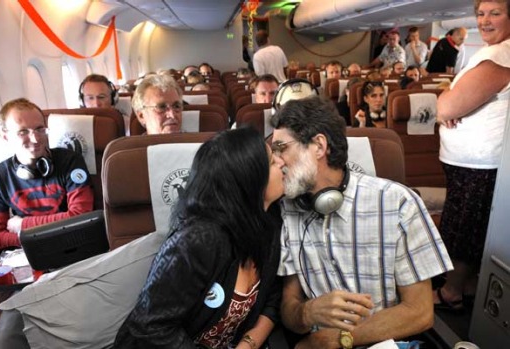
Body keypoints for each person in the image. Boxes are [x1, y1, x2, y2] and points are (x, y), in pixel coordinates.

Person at [270, 96, 452, 348]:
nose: (277, 160)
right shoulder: (289, 208)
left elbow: (420, 312)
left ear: (319, 146)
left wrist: (334, 339)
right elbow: (290, 307)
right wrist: (307, 312)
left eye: (282, 148)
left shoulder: (397, 203)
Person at [114, 127, 286, 348]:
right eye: (272, 162)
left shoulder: (270, 223)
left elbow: (271, 296)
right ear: (249, 182)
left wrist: (248, 344)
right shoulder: (198, 241)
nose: (282, 163)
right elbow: (151, 327)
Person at [434, 0, 510, 311]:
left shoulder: (498, 57)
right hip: (475, 161)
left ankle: (451, 291)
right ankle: (465, 287)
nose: (485, 21)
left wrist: (445, 102)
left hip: (477, 163)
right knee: (470, 224)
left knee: (465, 226)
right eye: (480, 13)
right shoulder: (497, 54)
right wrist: (448, 97)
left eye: (495, 13)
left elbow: (447, 107)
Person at [0, 98, 94, 252]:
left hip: (73, 244)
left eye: (39, 129)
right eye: (23, 132)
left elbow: (81, 216)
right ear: (5, 136)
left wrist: (23, 226)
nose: (35, 139)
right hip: (29, 252)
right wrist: (36, 236)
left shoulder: (70, 161)